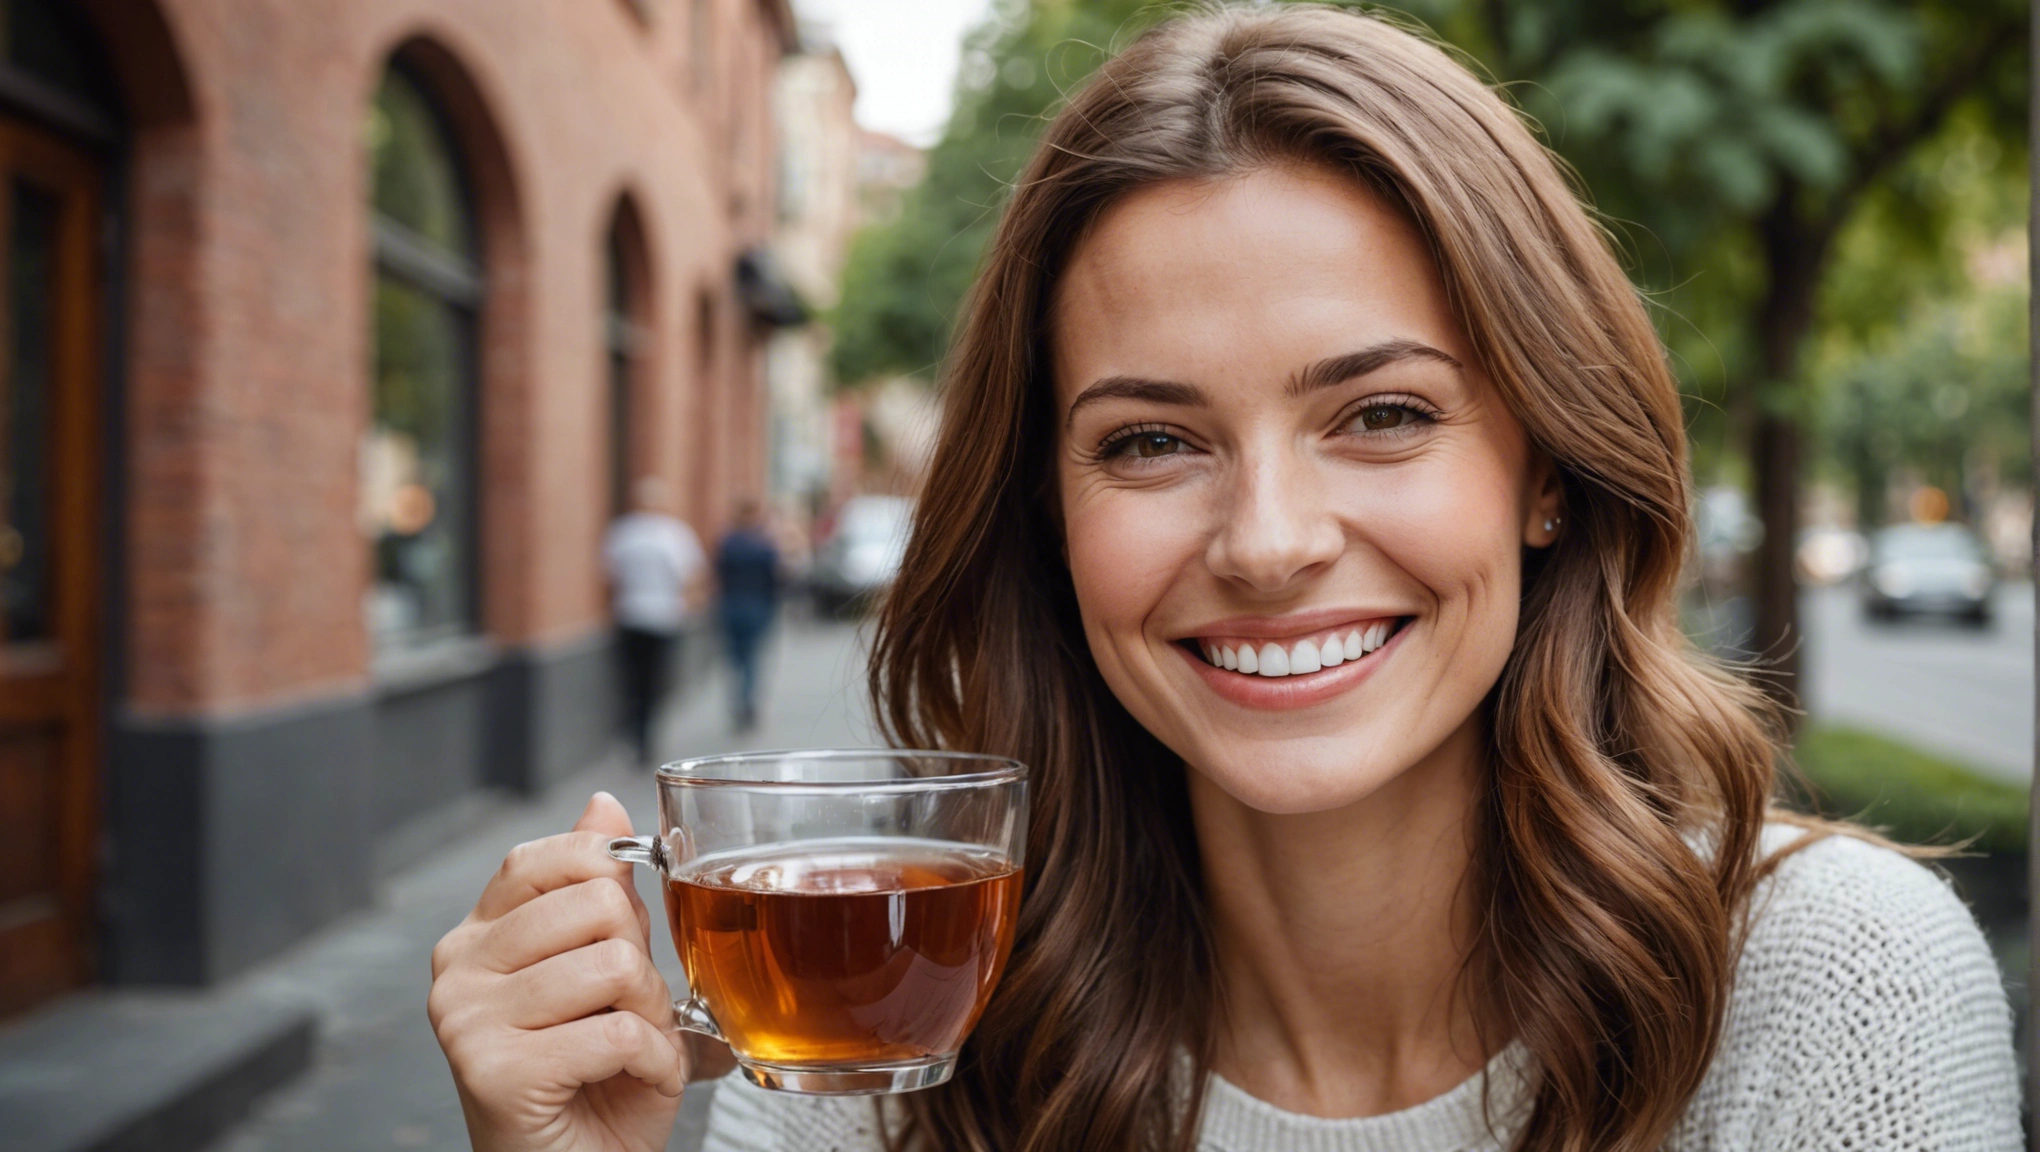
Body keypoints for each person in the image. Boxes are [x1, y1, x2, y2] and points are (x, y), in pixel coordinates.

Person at [426, 7, 2019, 1151]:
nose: (1266, 540)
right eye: (1148, 444)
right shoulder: (888, 1040)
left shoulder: (1830, 984)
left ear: (1546, 471)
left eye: (1382, 416)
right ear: (1043, 508)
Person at [602, 477, 706, 765]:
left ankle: (638, 730)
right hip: (660, 616)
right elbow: (691, 575)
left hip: (633, 614)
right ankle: (644, 733)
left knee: (634, 678)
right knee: (655, 679)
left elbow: (609, 576)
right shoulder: (672, 534)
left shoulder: (623, 533)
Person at [714, 498, 781, 732]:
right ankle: (747, 701)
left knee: (736, 658)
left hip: (731, 604)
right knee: (751, 657)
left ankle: (740, 700)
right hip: (756, 605)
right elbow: (775, 579)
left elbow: (718, 573)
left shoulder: (727, 543)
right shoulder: (763, 545)